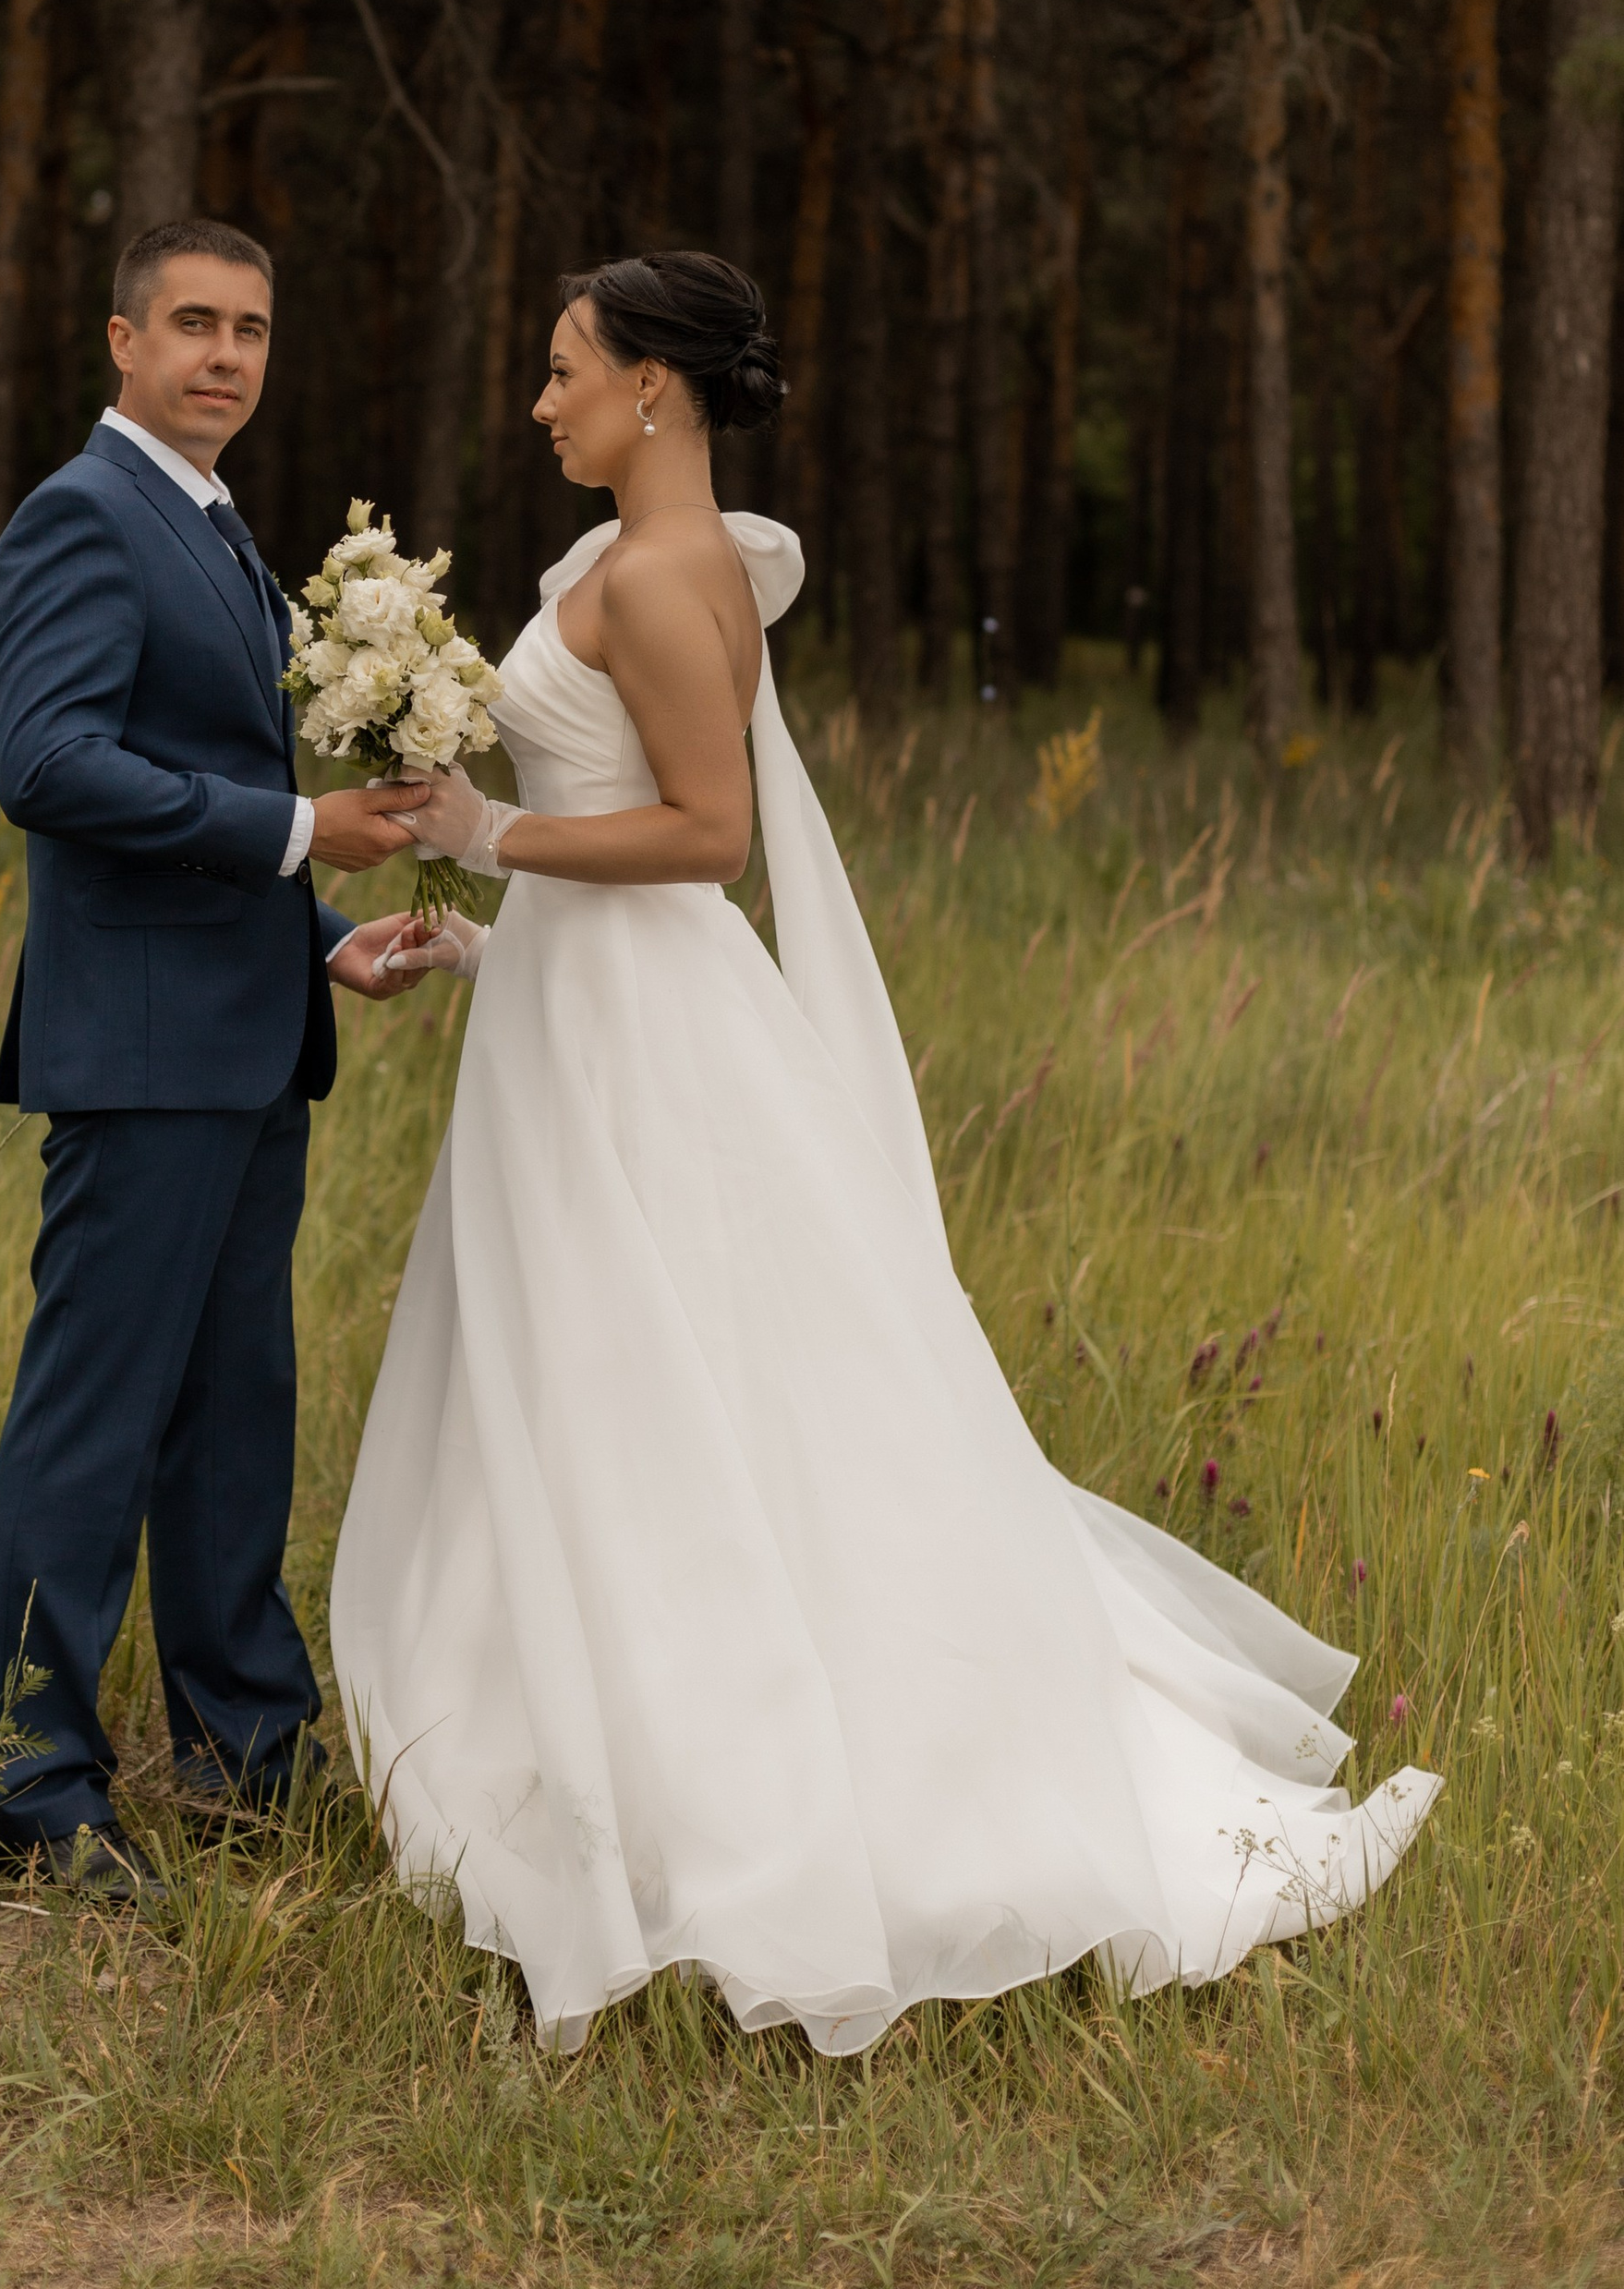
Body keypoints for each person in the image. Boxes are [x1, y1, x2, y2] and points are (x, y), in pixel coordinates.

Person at [333, 249, 1438, 2054]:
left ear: (653, 393)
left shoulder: (670, 576)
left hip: (646, 1048)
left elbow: (704, 841)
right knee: (612, 1398)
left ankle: (740, 1788)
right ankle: (588, 1743)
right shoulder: (625, 568)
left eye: (562, 372)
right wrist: (468, 935)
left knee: (680, 1402)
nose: (540, 403)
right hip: (582, 1026)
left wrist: (486, 833)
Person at [0, 217, 432, 1901]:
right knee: (94, 1421)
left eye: (248, 328)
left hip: (248, 1035)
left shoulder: (219, 527)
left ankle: (249, 1755)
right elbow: (49, 766)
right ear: (120, 339)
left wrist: (322, 932)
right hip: (144, 1053)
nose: (224, 355)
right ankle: (27, 1787)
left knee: (235, 1417)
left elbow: (196, 786)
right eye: (191, 324)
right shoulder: (84, 518)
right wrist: (303, 825)